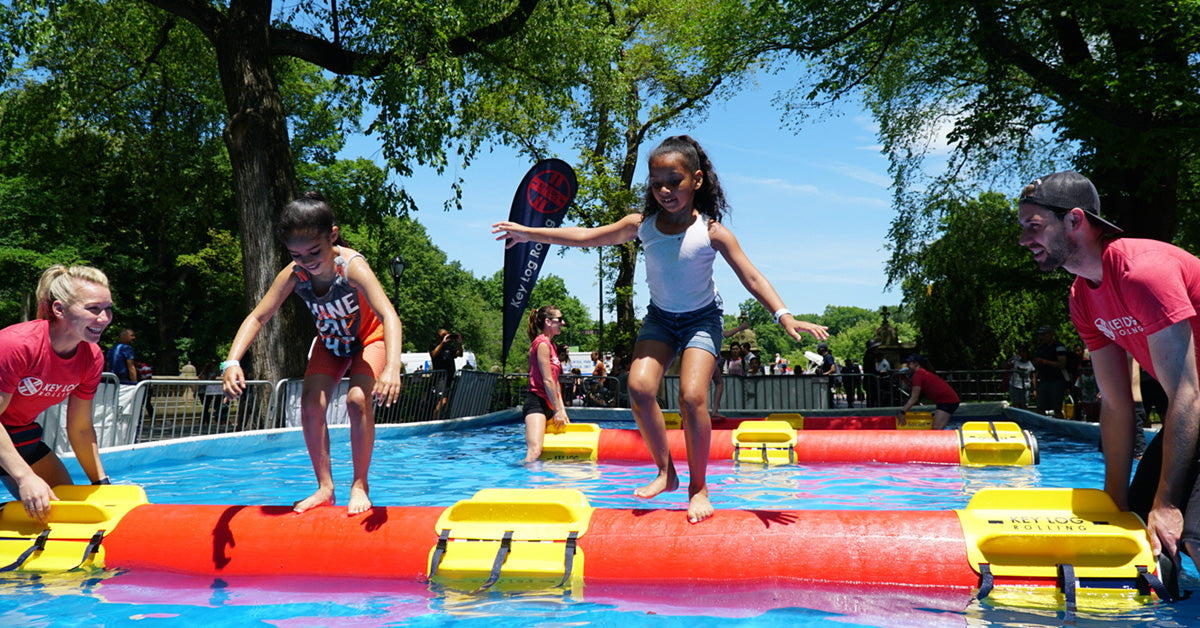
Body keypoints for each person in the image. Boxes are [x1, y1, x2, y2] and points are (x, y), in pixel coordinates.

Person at [494, 135, 828, 523]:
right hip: (661, 318)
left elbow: (751, 276)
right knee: (638, 387)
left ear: (697, 180)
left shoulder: (713, 231)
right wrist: (528, 232)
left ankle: (698, 486)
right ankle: (666, 472)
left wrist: (784, 315)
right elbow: (587, 236)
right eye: (657, 183)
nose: (665, 190)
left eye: (675, 181)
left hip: (702, 319)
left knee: (691, 396)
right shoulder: (643, 225)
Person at [1017, 169, 1200, 575]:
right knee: (1135, 525)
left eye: (1034, 226)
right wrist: (1114, 508)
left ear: (1075, 220)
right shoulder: (1082, 297)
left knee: (1190, 535)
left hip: (1195, 403)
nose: (1024, 240)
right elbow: (1116, 404)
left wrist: (1168, 504)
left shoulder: (1144, 272)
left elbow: (1187, 393)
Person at [222, 191, 403, 515]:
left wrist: (392, 368)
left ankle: (360, 484)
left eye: (314, 252)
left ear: (332, 236)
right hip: (331, 343)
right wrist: (232, 360)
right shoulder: (294, 273)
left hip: (368, 339)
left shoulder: (352, 267)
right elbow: (258, 316)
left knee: (357, 400)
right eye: (297, 254)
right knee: (309, 403)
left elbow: (389, 315)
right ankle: (325, 487)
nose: (307, 261)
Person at [0, 265, 113, 521]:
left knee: (65, 514)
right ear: (59, 309)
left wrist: (102, 484)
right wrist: (25, 476)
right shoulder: (16, 345)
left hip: (18, 435)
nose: (104, 318)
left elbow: (81, 428)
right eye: (93, 309)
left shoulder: (91, 357)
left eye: (108, 309)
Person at [522, 305, 570, 462]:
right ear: (548, 322)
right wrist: (557, 410)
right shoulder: (541, 343)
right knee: (535, 452)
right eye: (559, 319)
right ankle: (525, 483)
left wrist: (561, 409)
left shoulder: (552, 345)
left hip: (550, 404)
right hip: (537, 403)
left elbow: (555, 382)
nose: (562, 323)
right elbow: (547, 380)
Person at [897, 353, 959, 430]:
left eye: (909, 363)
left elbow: (914, 398)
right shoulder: (922, 373)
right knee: (937, 427)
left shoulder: (918, 375)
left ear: (916, 364)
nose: (907, 366)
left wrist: (902, 412)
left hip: (948, 401)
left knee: (936, 428)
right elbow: (915, 389)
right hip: (946, 401)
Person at [1033, 325, 1069, 417]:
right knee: (1041, 407)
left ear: (1051, 334)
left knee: (1057, 408)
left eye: (1044, 334)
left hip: (1056, 380)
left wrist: (1044, 362)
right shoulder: (1041, 348)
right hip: (1043, 380)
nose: (1042, 337)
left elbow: (1062, 364)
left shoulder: (1059, 346)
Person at [429, 329, 462, 419]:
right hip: (440, 378)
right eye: (444, 335)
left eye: (447, 335)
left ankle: (439, 418)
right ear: (438, 337)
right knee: (442, 400)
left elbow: (460, 354)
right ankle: (434, 421)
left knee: (446, 401)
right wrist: (442, 343)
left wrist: (459, 344)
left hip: (450, 377)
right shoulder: (434, 346)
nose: (446, 337)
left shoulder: (449, 348)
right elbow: (433, 355)